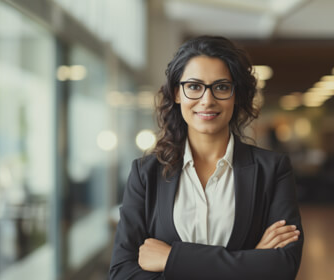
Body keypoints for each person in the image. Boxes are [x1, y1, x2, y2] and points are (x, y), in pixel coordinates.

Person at [109, 35, 303, 280]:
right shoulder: (146, 174)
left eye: (221, 87)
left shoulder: (272, 170)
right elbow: (122, 273)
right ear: (177, 93)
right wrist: (251, 260)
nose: (207, 100)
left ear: (236, 95)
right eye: (194, 86)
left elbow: (283, 267)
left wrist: (172, 259)